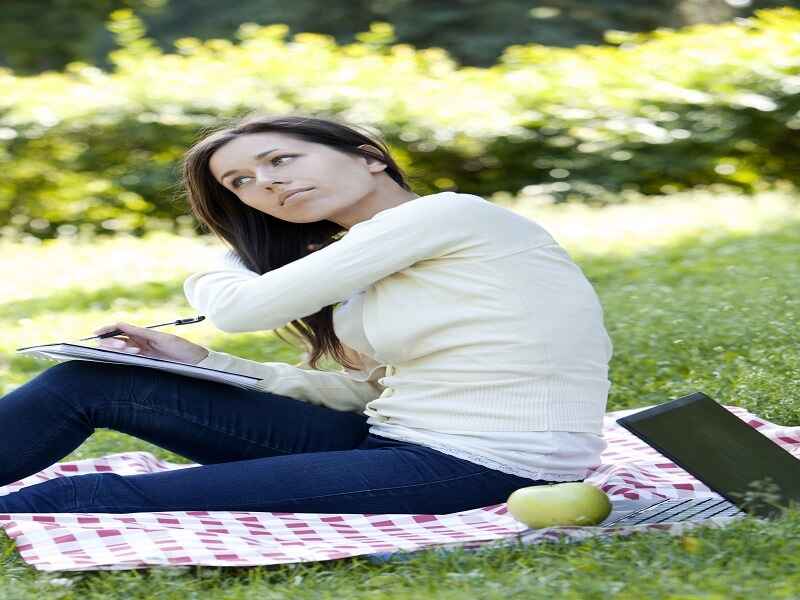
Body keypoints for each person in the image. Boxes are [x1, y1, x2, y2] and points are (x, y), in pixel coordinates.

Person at [0, 114, 613, 515]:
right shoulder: (367, 259)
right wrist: (205, 363)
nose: (265, 184)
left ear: (369, 156)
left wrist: (228, 262)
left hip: (481, 463)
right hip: (387, 437)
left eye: (280, 161)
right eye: (241, 181)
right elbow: (364, 393)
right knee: (95, 379)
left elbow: (242, 306)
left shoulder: (451, 216)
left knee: (86, 497)